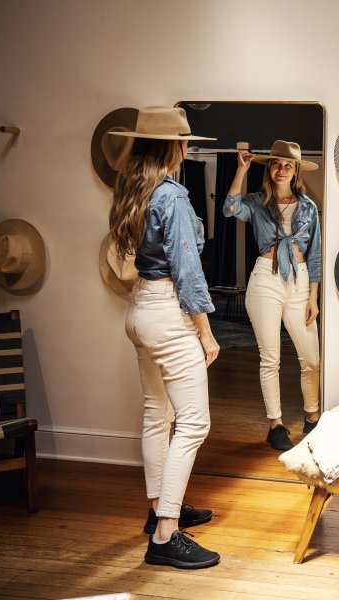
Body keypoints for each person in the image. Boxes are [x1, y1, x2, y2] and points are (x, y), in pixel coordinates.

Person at [108, 106, 220, 569]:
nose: (187, 147)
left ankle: (159, 509)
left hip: (140, 309)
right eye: (185, 141)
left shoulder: (131, 187)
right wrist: (207, 332)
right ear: (174, 146)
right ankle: (166, 535)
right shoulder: (171, 196)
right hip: (167, 312)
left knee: (158, 415)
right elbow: (187, 270)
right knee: (193, 422)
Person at [222, 140, 321, 451]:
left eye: (287, 165)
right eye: (276, 164)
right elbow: (229, 208)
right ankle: (275, 424)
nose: (281, 169)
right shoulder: (256, 202)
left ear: (295, 171)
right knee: (271, 358)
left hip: (300, 282)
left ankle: (313, 416)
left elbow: (315, 253)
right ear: (270, 168)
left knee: (311, 358)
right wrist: (241, 168)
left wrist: (313, 297)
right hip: (265, 279)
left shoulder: (308, 207)